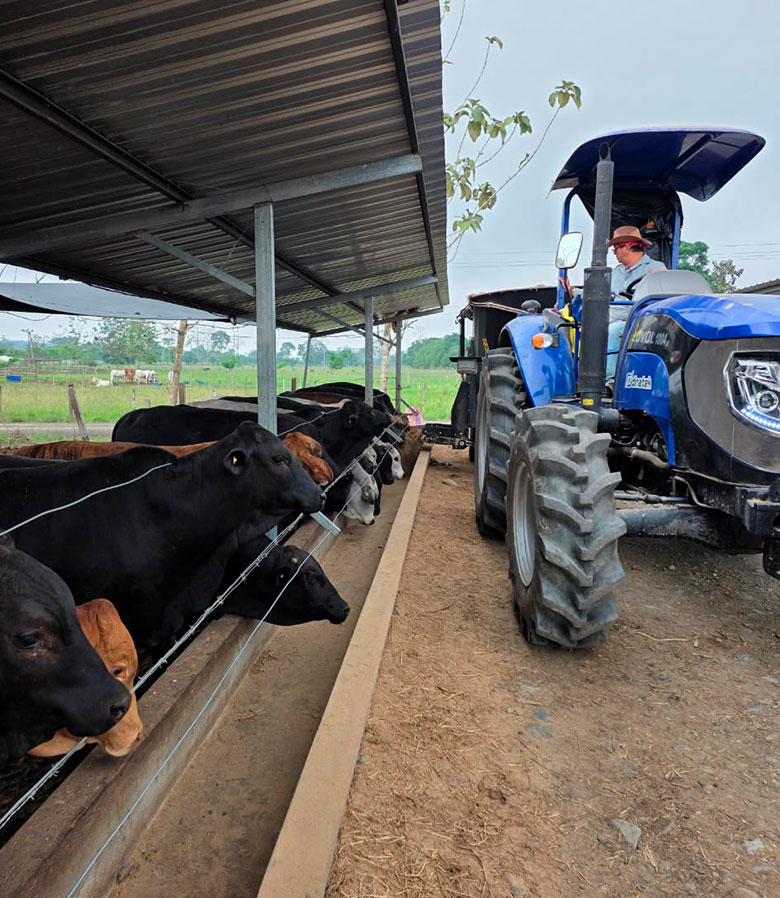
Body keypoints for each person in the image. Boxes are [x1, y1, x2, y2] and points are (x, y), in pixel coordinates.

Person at [609, 225, 666, 296]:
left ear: (626, 247)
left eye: (615, 249)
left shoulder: (656, 268)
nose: (615, 253)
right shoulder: (615, 272)